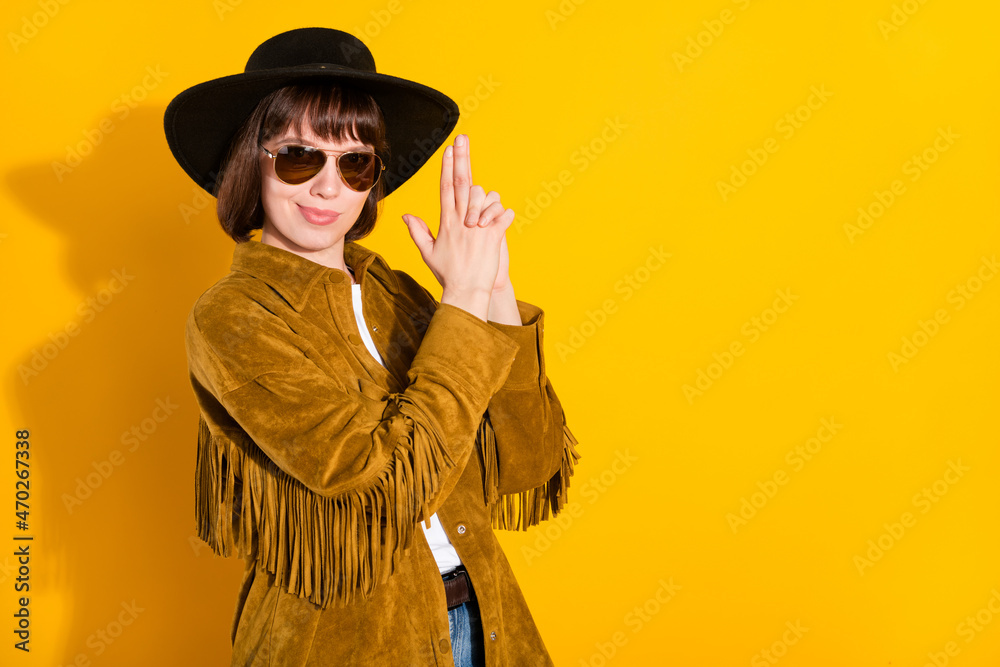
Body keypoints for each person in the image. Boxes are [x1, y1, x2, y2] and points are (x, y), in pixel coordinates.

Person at [164, 27, 580, 666]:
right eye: (302, 157)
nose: (330, 187)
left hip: (484, 624)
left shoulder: (398, 295)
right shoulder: (233, 319)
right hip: (343, 645)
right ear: (256, 160)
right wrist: (463, 308)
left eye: (354, 162)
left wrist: (493, 293)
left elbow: (528, 463)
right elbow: (374, 480)